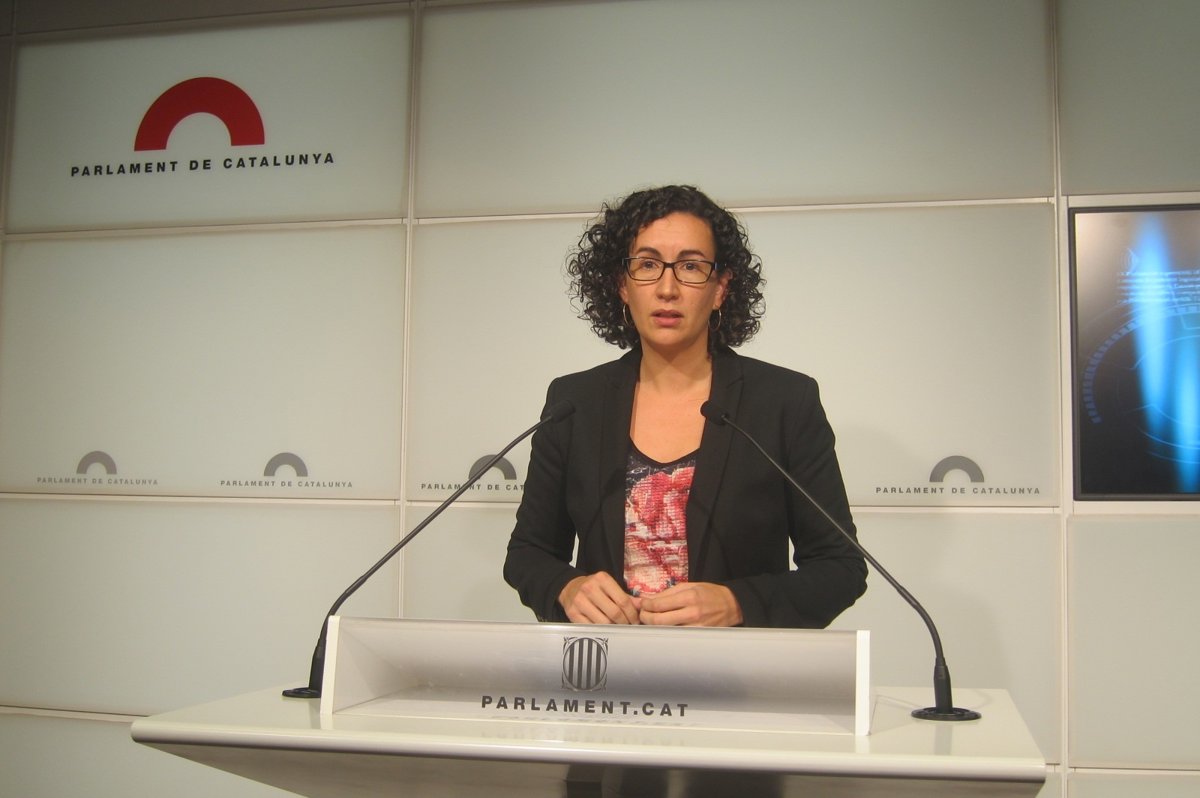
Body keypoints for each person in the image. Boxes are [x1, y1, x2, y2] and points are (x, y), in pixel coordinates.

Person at [503, 185, 866, 628]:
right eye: (647, 265)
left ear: (720, 288)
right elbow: (528, 553)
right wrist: (567, 587)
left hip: (735, 667)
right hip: (606, 665)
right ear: (621, 285)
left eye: (691, 266)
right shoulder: (574, 402)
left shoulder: (784, 401)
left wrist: (738, 603)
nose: (667, 288)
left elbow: (840, 567)